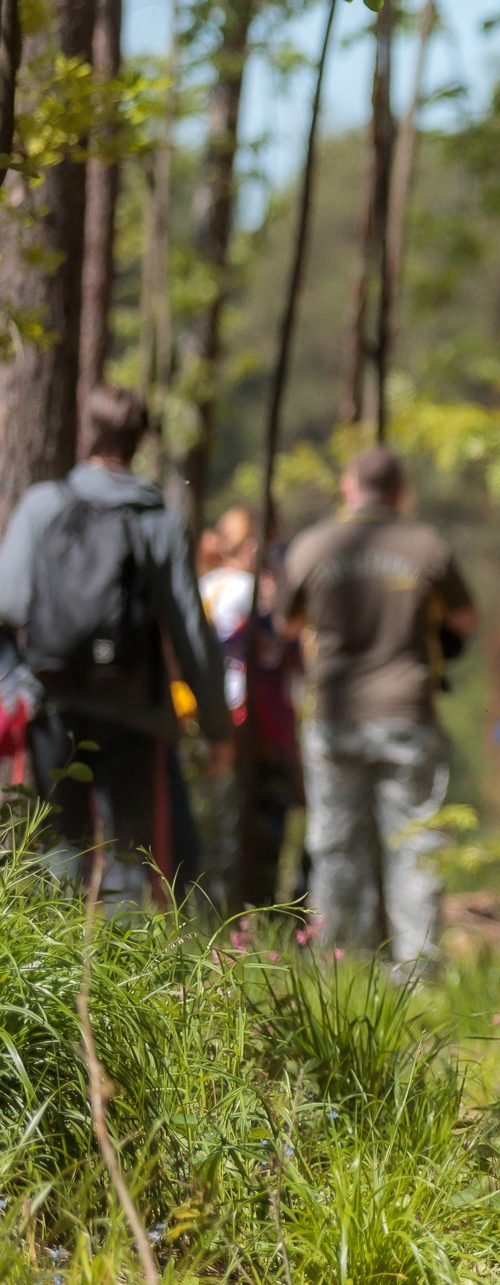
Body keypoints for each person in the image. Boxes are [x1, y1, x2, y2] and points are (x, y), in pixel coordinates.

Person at [0, 384, 229, 903]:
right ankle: (120, 975)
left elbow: (7, 602)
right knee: (130, 854)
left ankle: (59, 973)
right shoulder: (158, 520)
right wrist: (216, 727)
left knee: (61, 845)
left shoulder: (43, 505)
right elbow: (190, 629)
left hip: (52, 705)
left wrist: (12, 685)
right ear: (140, 439)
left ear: (89, 431)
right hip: (135, 715)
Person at [279, 448, 475, 970]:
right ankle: (418, 972)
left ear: (348, 487)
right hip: (407, 710)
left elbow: (284, 623)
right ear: (400, 491)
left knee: (336, 844)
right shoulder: (427, 546)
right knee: (413, 844)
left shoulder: (313, 545)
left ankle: (340, 966)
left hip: (334, 714)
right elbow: (466, 619)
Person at [198, 507, 303, 912]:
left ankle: (214, 905)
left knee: (219, 816)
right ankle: (249, 909)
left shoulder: (208, 585)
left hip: (214, 710)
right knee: (254, 821)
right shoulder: (245, 590)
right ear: (249, 546)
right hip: (251, 716)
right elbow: (275, 646)